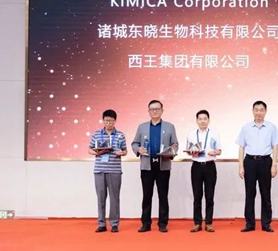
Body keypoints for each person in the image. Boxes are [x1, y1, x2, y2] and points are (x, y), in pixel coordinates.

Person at [131, 99, 179, 233]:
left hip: (163, 165)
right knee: (147, 196)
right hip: (147, 166)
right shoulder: (142, 127)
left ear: (162, 110)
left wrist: (170, 152)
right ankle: (145, 223)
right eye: (152, 109)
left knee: (163, 195)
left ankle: (163, 223)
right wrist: (138, 149)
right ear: (148, 111)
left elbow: (175, 144)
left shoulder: (170, 126)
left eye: (157, 109)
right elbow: (134, 143)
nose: (155, 111)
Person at [236, 100, 278, 232]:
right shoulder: (246, 127)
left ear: (265, 111)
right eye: (256, 110)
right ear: (252, 111)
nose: (259, 113)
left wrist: (274, 165)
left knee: (265, 193)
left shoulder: (271, 127)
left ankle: (266, 224)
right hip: (250, 161)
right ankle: (249, 224)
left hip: (265, 161)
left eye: (261, 110)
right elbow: (241, 147)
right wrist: (241, 166)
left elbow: (275, 146)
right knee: (249, 193)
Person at [88, 109, 127, 233]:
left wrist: (122, 153)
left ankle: (114, 224)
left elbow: (125, 150)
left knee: (114, 198)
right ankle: (101, 224)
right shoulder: (96, 134)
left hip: (115, 170)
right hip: (99, 170)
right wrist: (97, 152)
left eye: (111, 120)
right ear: (103, 120)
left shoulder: (120, 135)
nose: (108, 123)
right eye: (106, 120)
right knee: (101, 198)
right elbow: (89, 149)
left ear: (115, 121)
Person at [185, 109, 222, 233]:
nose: (202, 121)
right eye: (200, 119)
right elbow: (188, 150)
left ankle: (209, 223)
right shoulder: (191, 134)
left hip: (210, 166)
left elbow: (219, 150)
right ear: (197, 120)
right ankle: (197, 223)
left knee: (209, 196)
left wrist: (214, 152)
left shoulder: (214, 133)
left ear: (208, 120)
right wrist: (191, 152)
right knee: (197, 196)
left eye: (205, 119)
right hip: (196, 166)